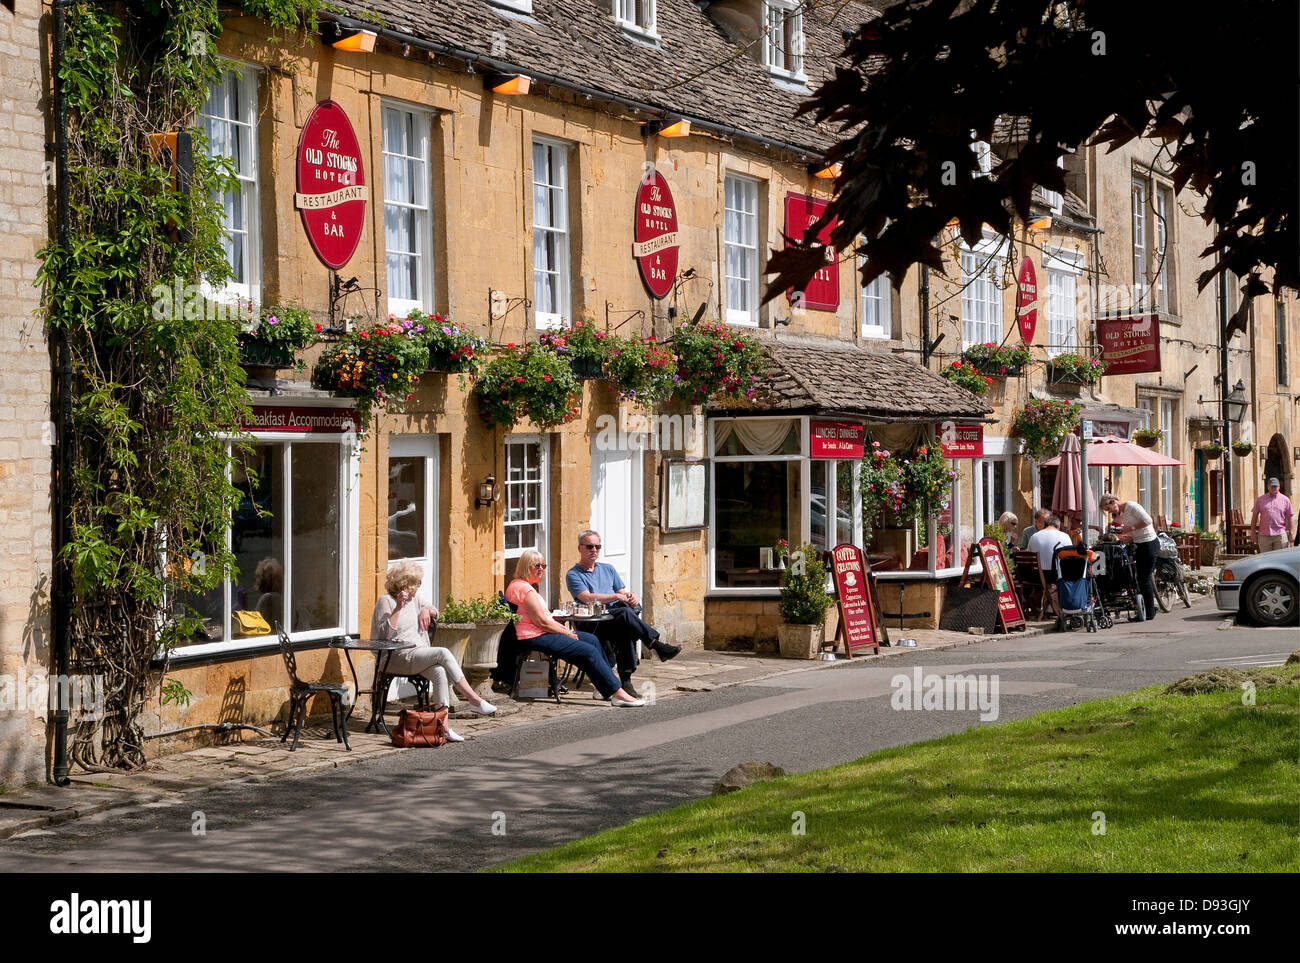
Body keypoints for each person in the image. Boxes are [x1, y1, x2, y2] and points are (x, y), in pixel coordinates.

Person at [370, 560, 496, 743]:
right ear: (404, 582)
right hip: (394, 656)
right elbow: (385, 635)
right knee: (442, 653)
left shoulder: (415, 599)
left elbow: (436, 611)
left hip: (416, 655)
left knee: (439, 672)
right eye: (416, 582)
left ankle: (442, 727)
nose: (419, 585)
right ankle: (474, 700)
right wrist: (398, 607)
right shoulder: (386, 601)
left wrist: (427, 610)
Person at [507, 550, 645, 707]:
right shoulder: (525, 590)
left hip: (538, 633)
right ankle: (618, 694)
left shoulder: (520, 586)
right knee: (588, 651)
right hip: (534, 637)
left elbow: (543, 620)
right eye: (537, 565)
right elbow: (541, 623)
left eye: (543, 566)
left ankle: (604, 687)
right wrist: (566, 632)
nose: (541, 569)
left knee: (592, 640)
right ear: (526, 566)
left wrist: (566, 631)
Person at [565, 529, 681, 699]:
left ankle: (626, 682)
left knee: (625, 626)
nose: (594, 550)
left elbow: (622, 592)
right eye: (589, 546)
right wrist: (616, 596)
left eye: (598, 546)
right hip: (593, 622)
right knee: (625, 616)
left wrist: (630, 597)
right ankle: (655, 645)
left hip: (613, 618)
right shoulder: (573, 574)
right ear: (579, 548)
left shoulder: (608, 569)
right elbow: (587, 598)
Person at [1098, 493, 1158, 621]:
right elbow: (1128, 531)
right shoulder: (1121, 514)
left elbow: (1148, 521)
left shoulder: (1132, 506)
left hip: (1149, 543)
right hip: (1139, 544)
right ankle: (1146, 609)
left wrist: (1130, 528)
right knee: (1138, 578)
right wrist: (1127, 537)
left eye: (1108, 509)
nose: (1109, 512)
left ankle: (1150, 613)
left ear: (1113, 501)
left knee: (1144, 578)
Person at [1027, 514, 1073, 611]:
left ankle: (1042, 606)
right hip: (1056, 576)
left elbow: (1029, 555)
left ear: (1045, 525)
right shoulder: (1065, 536)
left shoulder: (1034, 536)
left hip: (1035, 577)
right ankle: (1059, 607)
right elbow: (1070, 559)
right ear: (1058, 526)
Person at [1250, 477, 1294, 554]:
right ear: (1268, 487)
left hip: (1280, 535)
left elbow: (1290, 517)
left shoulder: (1285, 500)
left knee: (1280, 559)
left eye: (1275, 486)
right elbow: (1254, 516)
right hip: (1264, 535)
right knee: (1265, 560)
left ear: (1279, 487)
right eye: (1272, 486)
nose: (1274, 488)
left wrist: (1291, 533)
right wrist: (1253, 532)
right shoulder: (1260, 500)